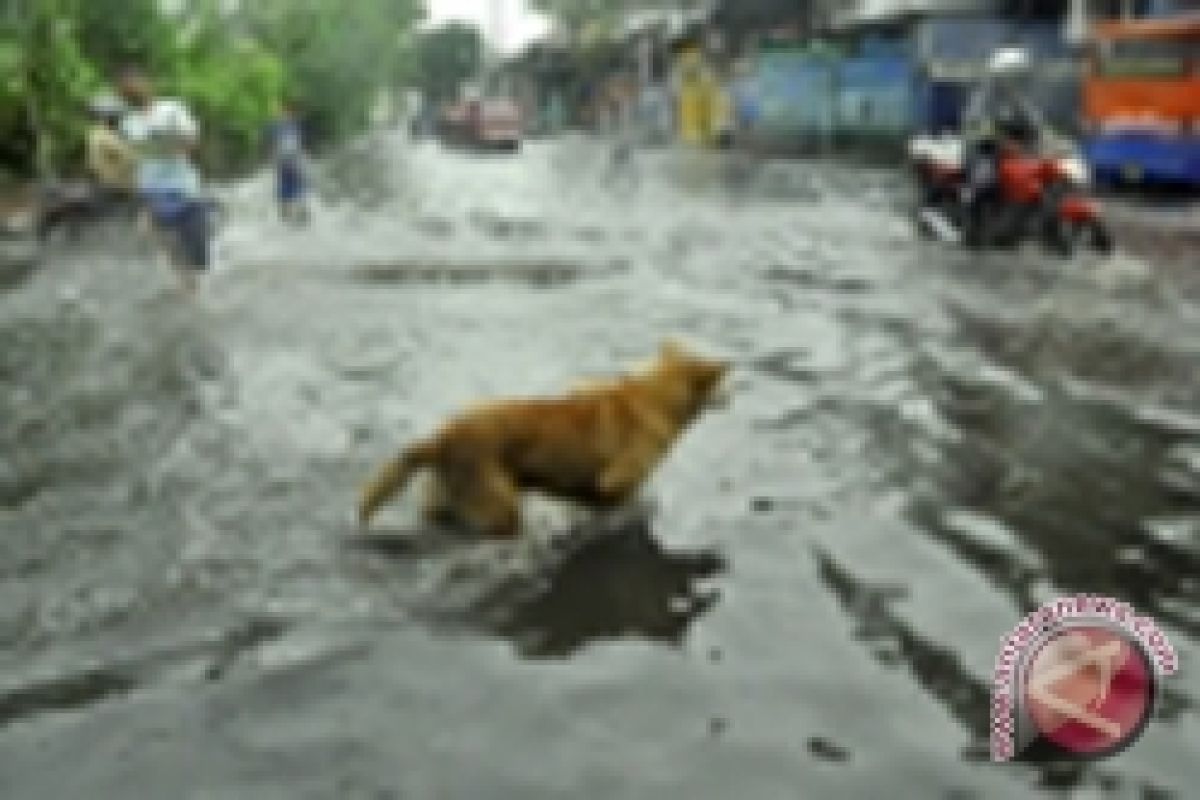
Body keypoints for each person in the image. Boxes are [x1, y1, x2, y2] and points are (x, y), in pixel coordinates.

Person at [116, 64, 211, 292]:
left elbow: (193, 142)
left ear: (147, 84)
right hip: (154, 193)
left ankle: (194, 277)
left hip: (185, 189)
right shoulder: (127, 123)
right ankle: (187, 288)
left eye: (134, 84)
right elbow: (135, 162)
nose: (130, 91)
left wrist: (171, 143)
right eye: (125, 89)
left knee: (200, 257)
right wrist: (142, 203)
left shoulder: (172, 109)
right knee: (172, 248)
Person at [960, 46, 1048, 246]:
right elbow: (976, 124)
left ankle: (1025, 225)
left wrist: (1049, 138)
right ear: (1001, 74)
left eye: (1020, 75)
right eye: (1014, 74)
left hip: (1014, 154)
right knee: (985, 179)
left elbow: (1035, 123)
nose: (1017, 79)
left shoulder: (1019, 100)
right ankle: (971, 230)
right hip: (983, 151)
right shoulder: (983, 98)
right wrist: (999, 140)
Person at [85, 93, 136, 196]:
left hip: (109, 188)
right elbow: (130, 158)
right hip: (115, 190)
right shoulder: (105, 135)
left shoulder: (97, 133)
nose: (119, 119)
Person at [267, 101, 309, 225]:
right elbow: (281, 145)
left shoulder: (287, 126)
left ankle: (293, 214)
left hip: (288, 161)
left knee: (292, 188)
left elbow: (294, 146)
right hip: (287, 161)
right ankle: (293, 214)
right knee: (292, 188)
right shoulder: (284, 126)